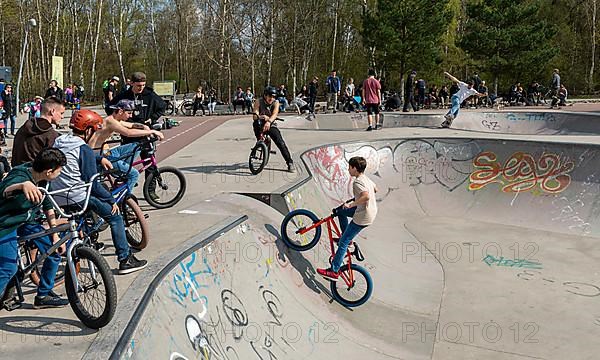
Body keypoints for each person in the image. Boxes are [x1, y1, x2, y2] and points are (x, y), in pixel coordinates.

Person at [52, 110, 147, 274]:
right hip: (78, 196)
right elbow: (93, 184)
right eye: (94, 131)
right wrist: (111, 200)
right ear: (88, 130)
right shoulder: (84, 149)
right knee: (115, 217)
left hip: (58, 195)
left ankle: (89, 241)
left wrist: (98, 158)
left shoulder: (59, 141)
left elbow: (71, 158)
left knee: (81, 217)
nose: (95, 134)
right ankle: (125, 259)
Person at [0, 148, 69, 308]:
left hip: (26, 222)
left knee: (54, 251)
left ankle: (43, 295)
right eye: (60, 170)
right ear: (49, 171)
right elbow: (4, 190)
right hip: (5, 225)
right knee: (8, 268)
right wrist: (22, 185)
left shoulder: (44, 180)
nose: (60, 173)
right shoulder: (20, 175)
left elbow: (47, 204)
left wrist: (54, 233)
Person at [317, 156, 378, 281]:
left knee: (343, 242)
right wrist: (357, 199)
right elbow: (375, 189)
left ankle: (334, 271)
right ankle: (348, 240)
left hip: (363, 215)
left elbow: (366, 196)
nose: (348, 170)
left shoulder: (357, 182)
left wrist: (352, 204)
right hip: (370, 211)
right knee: (341, 212)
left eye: (349, 167)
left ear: (354, 168)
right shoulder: (365, 179)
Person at [88, 99, 164, 193]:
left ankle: (123, 174)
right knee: (134, 174)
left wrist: (144, 126)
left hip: (106, 152)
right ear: (120, 111)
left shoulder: (114, 119)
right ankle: (125, 198)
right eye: (129, 113)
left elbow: (131, 125)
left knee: (136, 146)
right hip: (100, 155)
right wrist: (152, 131)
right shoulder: (111, 122)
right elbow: (128, 132)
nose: (131, 116)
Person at [11, 97, 64, 167]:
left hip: (17, 172)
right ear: (52, 111)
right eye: (61, 113)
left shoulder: (23, 128)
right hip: (36, 175)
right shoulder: (51, 135)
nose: (62, 117)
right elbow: (52, 164)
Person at [252, 86, 295, 173]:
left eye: (273, 97)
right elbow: (254, 115)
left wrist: (269, 122)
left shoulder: (276, 102)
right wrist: (260, 116)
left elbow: (275, 114)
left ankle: (289, 162)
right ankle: (260, 141)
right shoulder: (258, 101)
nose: (271, 98)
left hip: (271, 123)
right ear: (265, 95)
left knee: (280, 142)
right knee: (256, 123)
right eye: (270, 96)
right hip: (260, 122)